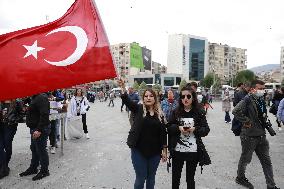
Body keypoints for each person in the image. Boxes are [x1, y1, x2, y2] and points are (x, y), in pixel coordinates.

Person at [118, 79, 167, 189]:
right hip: (138, 150)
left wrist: (164, 150)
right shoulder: (139, 109)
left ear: (155, 98)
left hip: (155, 152)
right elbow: (127, 101)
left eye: (151, 96)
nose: (148, 98)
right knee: (141, 177)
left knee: (151, 177)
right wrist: (122, 86)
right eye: (146, 96)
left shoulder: (160, 114)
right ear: (143, 98)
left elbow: (163, 134)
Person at [232, 80, 280, 189]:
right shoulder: (247, 99)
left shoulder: (261, 100)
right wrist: (246, 121)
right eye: (260, 88)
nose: (262, 90)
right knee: (246, 159)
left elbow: (262, 115)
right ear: (253, 89)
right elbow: (235, 111)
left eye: (263, 88)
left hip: (261, 136)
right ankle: (240, 177)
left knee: (267, 161)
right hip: (249, 136)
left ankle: (271, 186)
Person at [168, 86, 210, 189]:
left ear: (193, 98)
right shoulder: (176, 111)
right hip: (178, 151)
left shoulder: (199, 112)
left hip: (193, 151)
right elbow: (169, 127)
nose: (185, 99)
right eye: (183, 96)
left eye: (188, 96)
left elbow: (206, 130)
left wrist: (195, 129)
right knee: (175, 178)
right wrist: (178, 128)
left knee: (190, 178)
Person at [19, 93, 51, 181]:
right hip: (34, 128)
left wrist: (39, 130)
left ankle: (44, 171)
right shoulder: (34, 97)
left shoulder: (41, 97)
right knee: (34, 148)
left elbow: (45, 114)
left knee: (41, 150)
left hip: (40, 129)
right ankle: (33, 168)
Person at [0, 99, 23, 179]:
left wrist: (14, 120)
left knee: (7, 145)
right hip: (1, 126)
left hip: (10, 127)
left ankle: (4, 166)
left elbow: (22, 114)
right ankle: (3, 167)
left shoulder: (17, 101)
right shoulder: (1, 101)